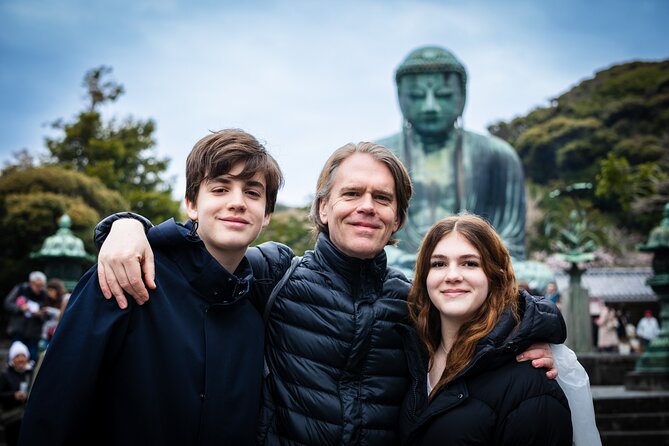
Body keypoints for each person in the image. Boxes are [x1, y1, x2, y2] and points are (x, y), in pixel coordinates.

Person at [94, 142, 560, 445]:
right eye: (351, 193)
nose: (366, 208)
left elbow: (486, 313)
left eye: (382, 198)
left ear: (398, 219)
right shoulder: (275, 275)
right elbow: (199, 258)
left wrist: (531, 340)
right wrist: (126, 227)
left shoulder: (414, 301)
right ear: (322, 208)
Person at [18, 129, 284, 445]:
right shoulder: (126, 274)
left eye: (252, 193)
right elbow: (53, 412)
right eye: (220, 188)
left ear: (266, 214)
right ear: (191, 203)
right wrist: (125, 223)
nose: (237, 203)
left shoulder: (256, 312)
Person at [398, 215, 572, 445]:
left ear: (494, 275)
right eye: (438, 263)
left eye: (470, 263)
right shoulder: (407, 355)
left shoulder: (530, 381)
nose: (452, 276)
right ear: (424, 276)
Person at [378, 46, 526, 263]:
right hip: (397, 265)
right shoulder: (377, 157)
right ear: (400, 97)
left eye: (444, 95)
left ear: (463, 96)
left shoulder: (497, 156)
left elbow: (510, 246)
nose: (430, 106)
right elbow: (364, 234)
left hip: (474, 265)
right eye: (417, 96)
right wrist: (397, 258)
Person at [4, 272, 48, 360]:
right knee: (16, 356)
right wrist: (20, 308)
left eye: (42, 285)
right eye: (37, 285)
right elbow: (7, 304)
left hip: (34, 333)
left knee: (32, 357)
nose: (40, 288)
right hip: (19, 330)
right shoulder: (21, 289)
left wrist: (40, 314)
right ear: (31, 283)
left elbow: (47, 314)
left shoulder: (44, 294)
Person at [0, 341, 34, 446]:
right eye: (17, 356)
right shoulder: (5, 375)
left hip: (27, 415)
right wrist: (14, 395)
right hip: (12, 416)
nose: (20, 359)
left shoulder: (31, 373)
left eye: (23, 355)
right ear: (12, 359)